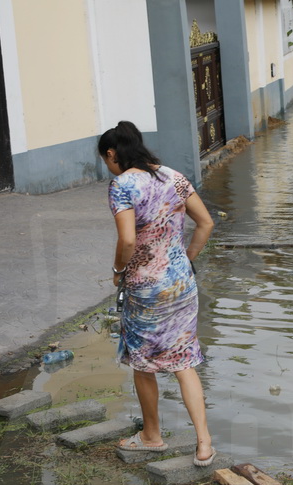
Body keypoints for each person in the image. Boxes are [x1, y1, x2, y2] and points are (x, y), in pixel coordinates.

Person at [99, 121, 216, 466]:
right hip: (181, 283)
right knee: (184, 361)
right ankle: (204, 444)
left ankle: (152, 436)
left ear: (112, 153)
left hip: (145, 288)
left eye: (106, 159)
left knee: (143, 362)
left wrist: (119, 271)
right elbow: (206, 223)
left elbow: (129, 240)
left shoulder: (122, 185)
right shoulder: (172, 176)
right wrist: (185, 259)